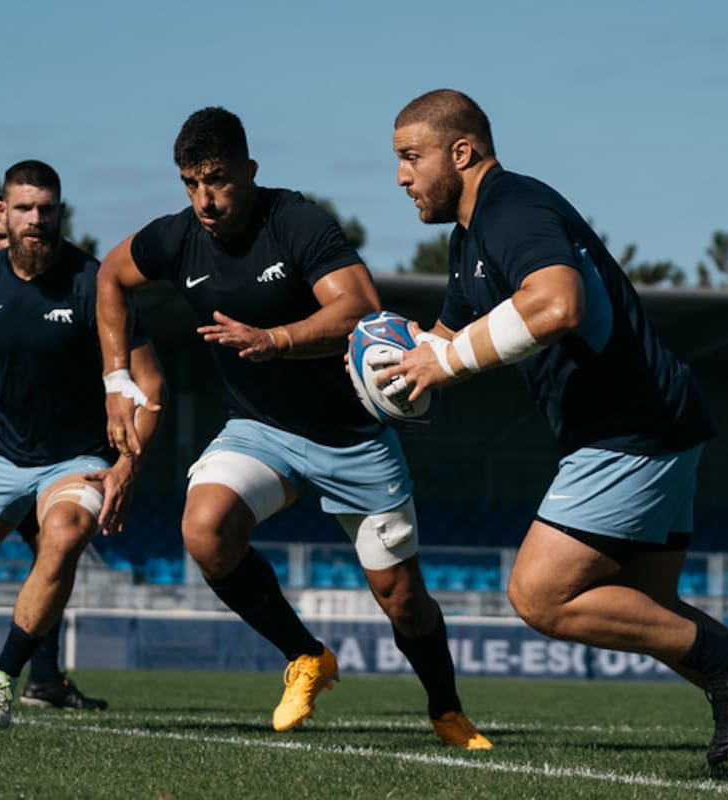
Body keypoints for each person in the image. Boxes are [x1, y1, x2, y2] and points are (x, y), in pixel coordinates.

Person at [383, 89, 728, 777]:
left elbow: (557, 303)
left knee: (540, 595)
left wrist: (443, 359)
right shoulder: (469, 239)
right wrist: (393, 365)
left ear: (463, 152)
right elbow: (446, 340)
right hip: (655, 419)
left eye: (411, 158)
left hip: (629, 426)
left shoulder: (512, 208)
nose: (401, 177)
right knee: (648, 612)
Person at [95, 107, 490, 749]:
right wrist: (118, 378)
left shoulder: (297, 222)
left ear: (250, 170)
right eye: (191, 184)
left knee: (402, 600)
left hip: (353, 437)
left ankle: (446, 710)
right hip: (262, 429)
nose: (205, 200)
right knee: (204, 530)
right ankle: (307, 656)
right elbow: (109, 277)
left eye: (218, 180)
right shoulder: (176, 239)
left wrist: (274, 339)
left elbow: (359, 307)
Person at [0, 160, 164, 727]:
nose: (35, 219)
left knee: (61, 539)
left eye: (46, 208)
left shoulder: (94, 282)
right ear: (3, 213)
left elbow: (151, 381)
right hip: (1, 453)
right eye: (23, 208)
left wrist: (125, 465)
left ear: (60, 213)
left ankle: (0, 680)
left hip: (78, 457)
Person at [0, 196, 108, 712]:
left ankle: (37, 675)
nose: (12, 243)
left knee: (54, 551)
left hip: (48, 454)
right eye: (0, 235)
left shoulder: (63, 285)